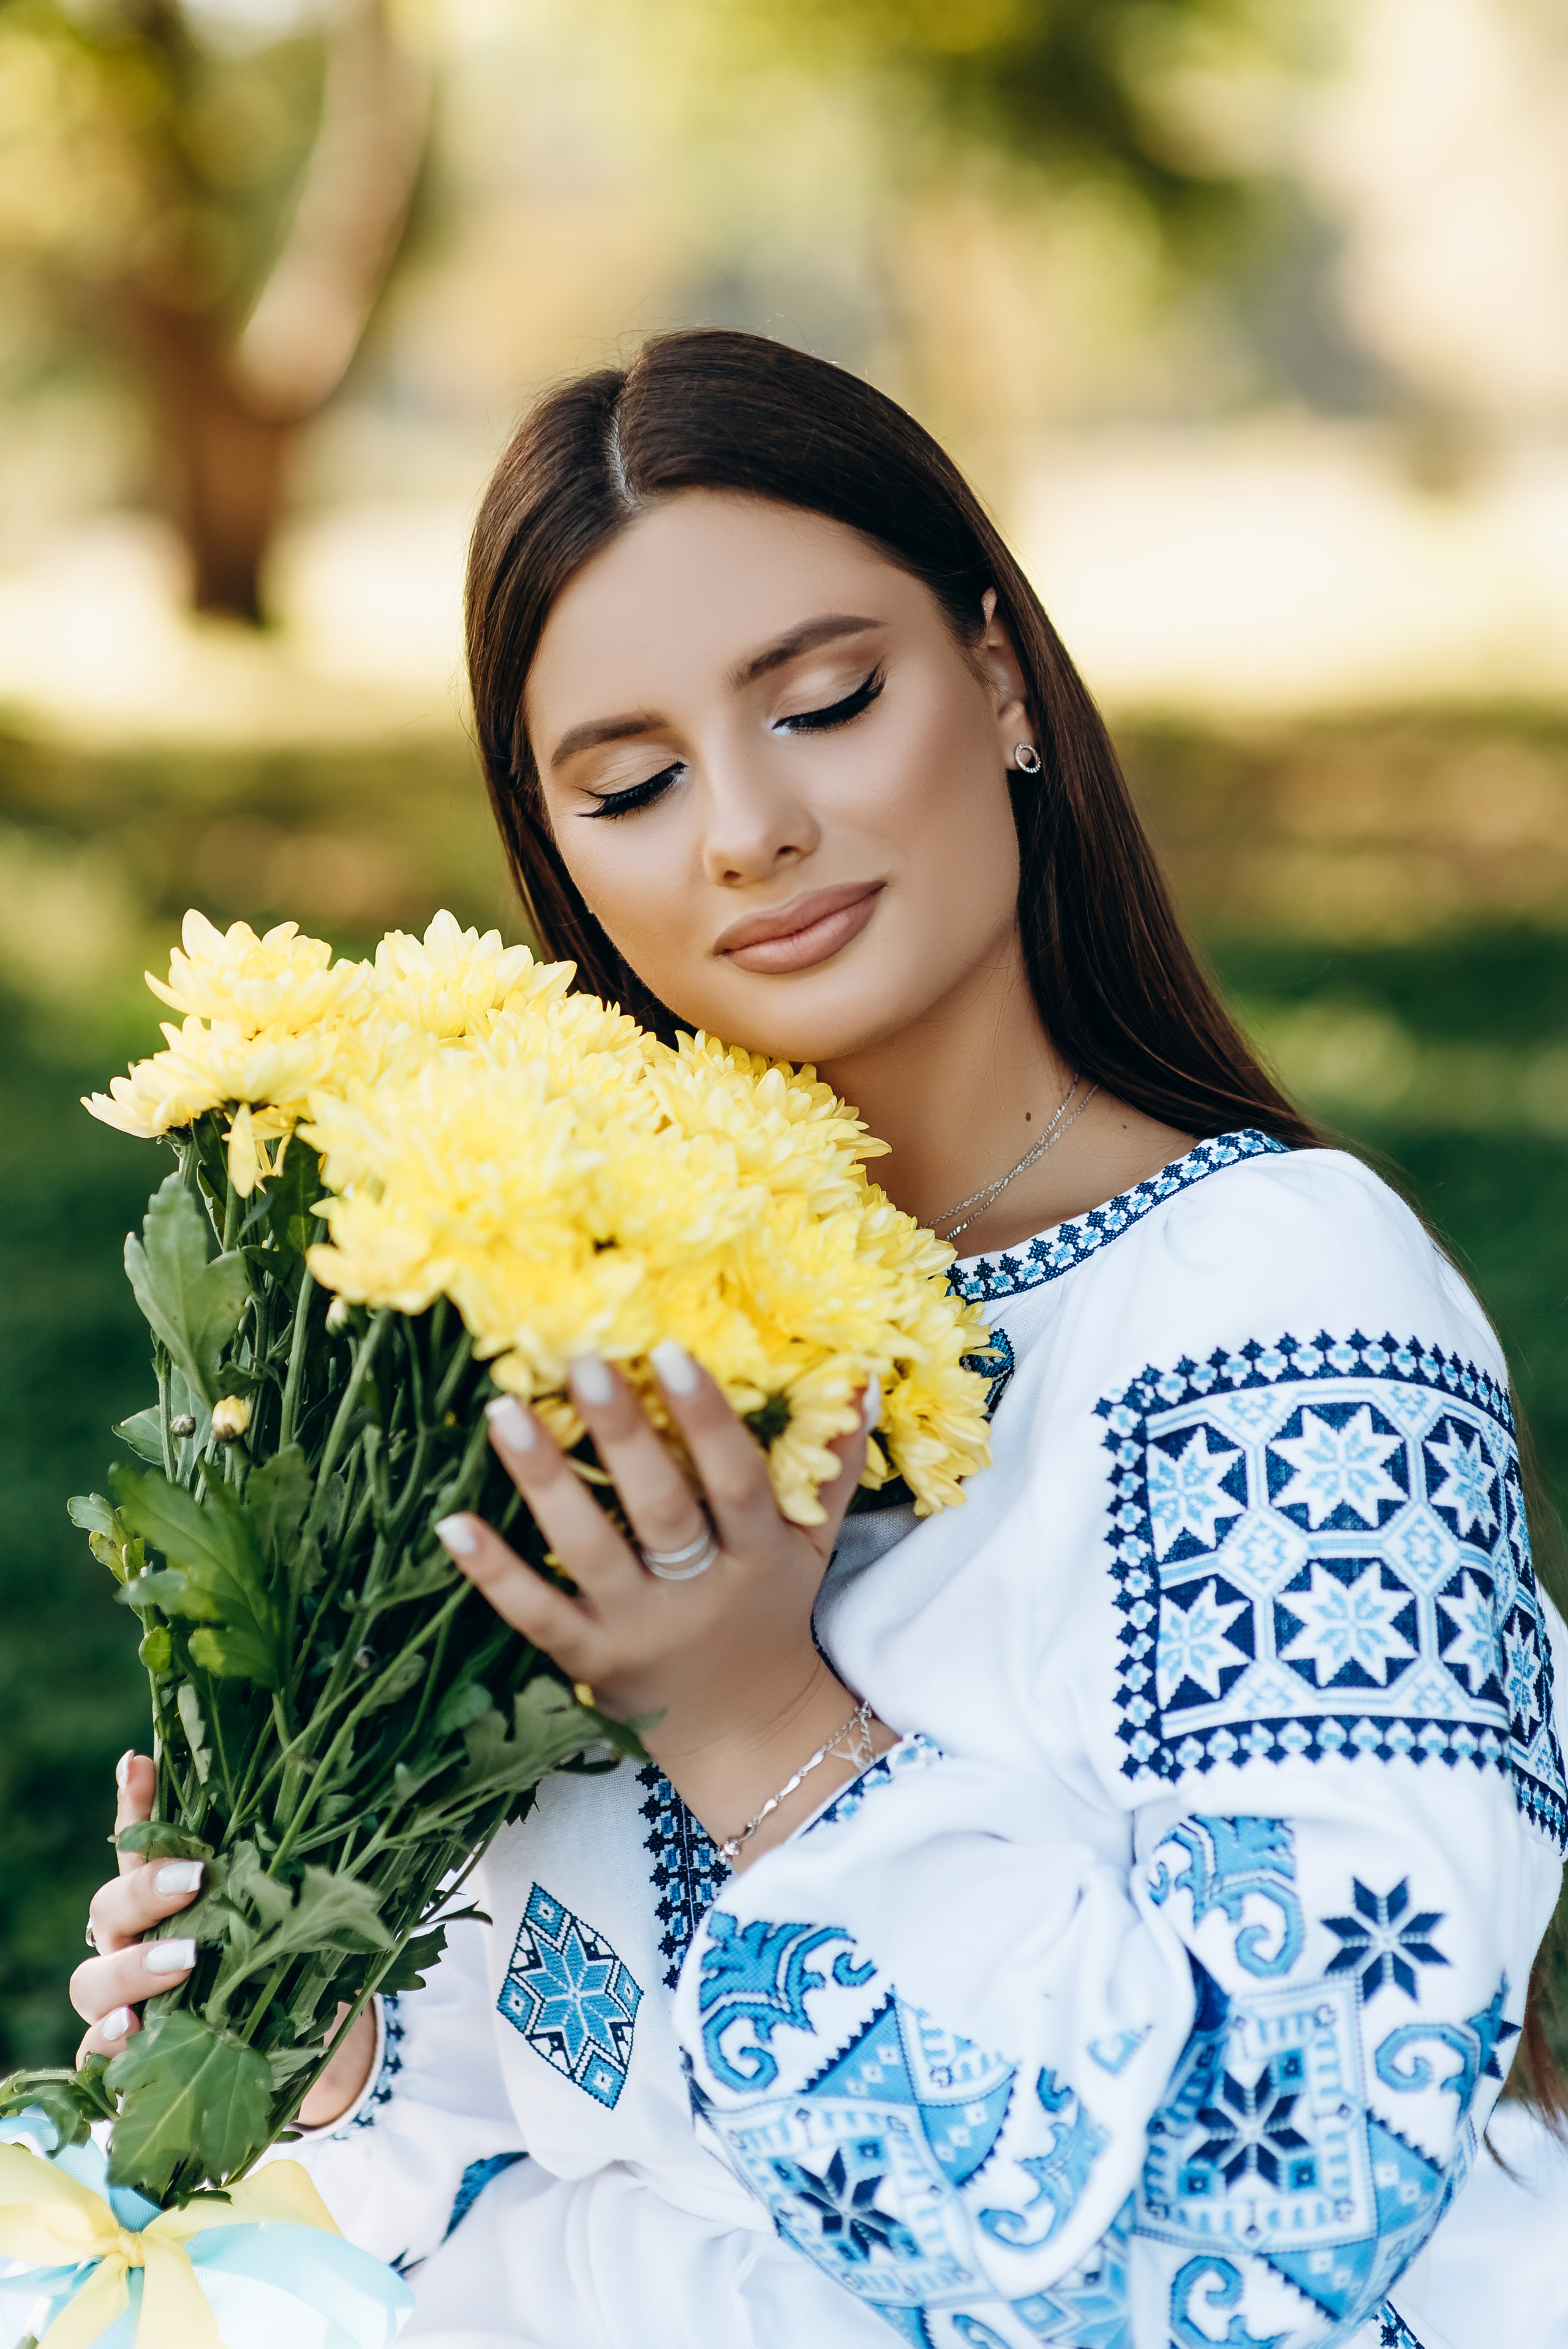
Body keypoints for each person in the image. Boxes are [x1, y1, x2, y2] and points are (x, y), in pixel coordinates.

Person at [70, 330, 1567, 2349]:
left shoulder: (1270, 1304)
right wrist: (307, 2030)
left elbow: (1279, 2221)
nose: (747, 828)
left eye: (826, 701)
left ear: (1003, 683)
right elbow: (523, 2097)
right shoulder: (546, 1327)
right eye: (632, 780)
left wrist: (761, 1727)